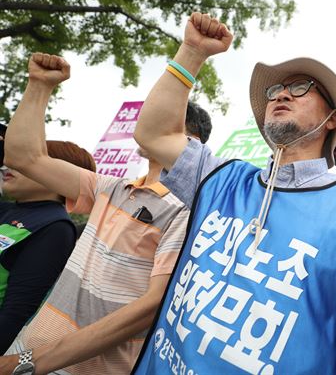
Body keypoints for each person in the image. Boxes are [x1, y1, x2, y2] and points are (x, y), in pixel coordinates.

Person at [131, 12, 336, 375]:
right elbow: (152, 135)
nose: (281, 93)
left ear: (331, 119)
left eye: (301, 87)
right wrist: (191, 51)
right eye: (274, 90)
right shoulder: (222, 178)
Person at [0, 53, 210, 375]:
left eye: (161, 118)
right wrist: (39, 87)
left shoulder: (187, 210)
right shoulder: (111, 188)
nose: (146, 122)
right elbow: (23, 157)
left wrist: (29, 363)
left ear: (189, 142)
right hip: (22, 353)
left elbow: (149, 308)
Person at [0, 140, 95, 353]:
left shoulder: (55, 228)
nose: (11, 164)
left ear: (58, 174)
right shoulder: (7, 209)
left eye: (28, 159)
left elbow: (15, 313)